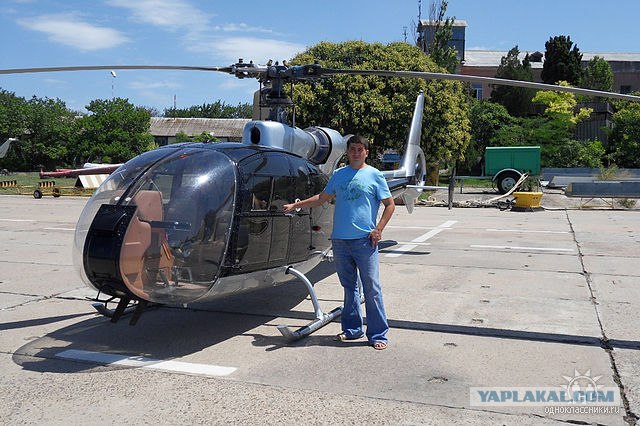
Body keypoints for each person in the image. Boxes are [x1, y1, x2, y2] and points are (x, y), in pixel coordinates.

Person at [283, 135, 395, 350]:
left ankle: (378, 334)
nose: (355, 153)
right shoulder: (339, 175)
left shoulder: (375, 175)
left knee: (372, 289)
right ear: (348, 151)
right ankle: (353, 330)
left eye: (360, 149)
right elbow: (322, 198)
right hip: (341, 241)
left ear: (366, 152)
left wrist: (378, 229)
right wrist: (296, 206)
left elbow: (389, 205)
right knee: (349, 287)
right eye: (352, 149)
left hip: (365, 241)